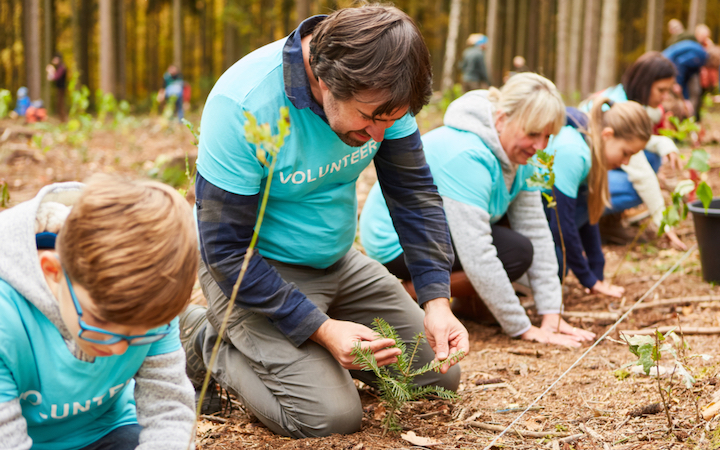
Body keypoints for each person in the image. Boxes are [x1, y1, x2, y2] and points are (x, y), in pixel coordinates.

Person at [180, 6, 469, 439]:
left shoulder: (387, 90)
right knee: (329, 417)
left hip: (337, 261)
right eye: (370, 117)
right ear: (324, 78)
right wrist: (322, 329)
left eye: (390, 121)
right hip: (251, 276)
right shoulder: (242, 104)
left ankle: (302, 355)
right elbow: (224, 250)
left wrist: (437, 300)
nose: (378, 135)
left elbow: (414, 196)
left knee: (438, 376)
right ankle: (206, 338)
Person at [359, 73, 595, 347]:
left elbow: (537, 231)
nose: (540, 146)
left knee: (522, 244)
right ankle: (406, 294)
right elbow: (478, 254)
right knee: (515, 252)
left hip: (444, 232)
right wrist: (522, 328)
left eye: (547, 136)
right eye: (532, 134)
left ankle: (467, 304)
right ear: (501, 120)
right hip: (397, 240)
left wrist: (551, 314)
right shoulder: (468, 155)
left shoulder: (523, 155)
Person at [0, 176, 198, 449]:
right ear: (54, 272)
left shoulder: (151, 300)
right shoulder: (6, 314)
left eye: (136, 335)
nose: (119, 349)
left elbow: (168, 408)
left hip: (106, 431)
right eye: (102, 322)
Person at [543, 102, 652, 298]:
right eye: (625, 153)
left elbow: (588, 212)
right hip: (530, 217)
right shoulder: (575, 153)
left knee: (561, 264)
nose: (625, 162)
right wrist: (589, 279)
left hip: (548, 215)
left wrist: (596, 268)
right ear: (607, 135)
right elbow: (562, 226)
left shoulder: (592, 146)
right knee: (557, 265)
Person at [583, 52, 686, 250]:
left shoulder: (624, 97)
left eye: (668, 91)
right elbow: (642, 175)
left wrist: (665, 144)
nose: (665, 97)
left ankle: (607, 220)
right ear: (644, 83)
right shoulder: (620, 107)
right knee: (638, 183)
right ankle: (593, 219)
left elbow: (641, 144)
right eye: (660, 90)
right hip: (581, 180)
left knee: (652, 158)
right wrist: (664, 224)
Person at [46, 52, 68, 122]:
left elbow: (56, 77)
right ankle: (62, 121)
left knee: (60, 105)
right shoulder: (60, 67)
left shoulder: (62, 67)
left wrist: (51, 71)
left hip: (62, 88)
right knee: (59, 105)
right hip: (60, 88)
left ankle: (64, 121)